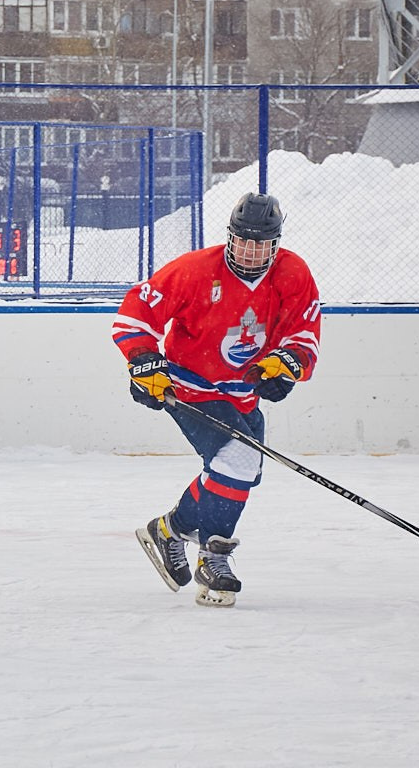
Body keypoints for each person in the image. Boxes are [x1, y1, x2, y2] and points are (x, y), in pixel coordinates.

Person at [113, 192, 322, 608]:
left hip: (242, 391)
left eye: (261, 243)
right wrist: (144, 361)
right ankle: (214, 559)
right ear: (230, 236)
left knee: (234, 475)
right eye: (243, 240)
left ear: (275, 242)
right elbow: (136, 313)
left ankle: (170, 530)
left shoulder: (293, 273)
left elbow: (304, 331)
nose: (251, 251)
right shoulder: (194, 270)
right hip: (192, 386)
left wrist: (286, 363)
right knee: (237, 464)